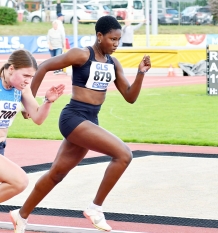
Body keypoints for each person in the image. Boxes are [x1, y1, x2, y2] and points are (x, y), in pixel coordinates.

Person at [9, 16, 151, 232]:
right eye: (112, 39)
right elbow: (45, 65)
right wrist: (31, 102)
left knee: (56, 173)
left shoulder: (113, 64)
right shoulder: (81, 54)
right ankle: (95, 208)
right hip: (74, 118)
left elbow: (130, 96)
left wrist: (141, 73)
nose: (115, 44)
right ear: (99, 36)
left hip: (90, 120)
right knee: (124, 155)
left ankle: (21, 215)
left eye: (119, 40)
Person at [0, 49, 65, 204]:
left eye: (31, 77)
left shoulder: (22, 89)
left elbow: (37, 117)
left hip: (1, 146)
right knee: (19, 181)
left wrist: (48, 101)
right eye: (25, 75)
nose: (28, 81)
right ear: (11, 69)